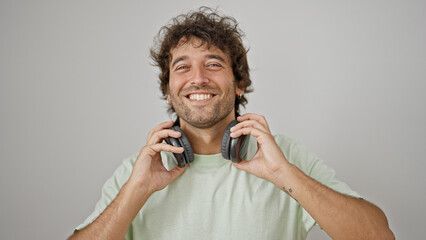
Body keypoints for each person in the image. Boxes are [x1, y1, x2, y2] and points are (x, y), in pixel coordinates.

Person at [70, 7, 394, 240]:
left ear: (239, 84)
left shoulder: (285, 157)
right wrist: (136, 191)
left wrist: (283, 174)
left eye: (213, 64)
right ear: (168, 90)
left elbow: (378, 236)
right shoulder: (136, 172)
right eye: (182, 67)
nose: (198, 79)